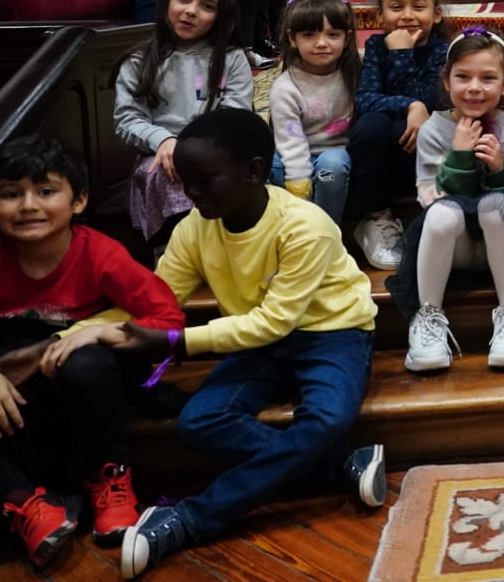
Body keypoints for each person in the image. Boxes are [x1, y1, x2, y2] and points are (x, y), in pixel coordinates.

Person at [110, 109, 386, 579]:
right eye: (185, 181)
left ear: (254, 171)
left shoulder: (305, 224)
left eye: (203, 179)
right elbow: (157, 300)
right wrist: (85, 333)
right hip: (259, 342)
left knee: (326, 419)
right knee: (198, 421)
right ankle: (338, 468)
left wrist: (175, 343)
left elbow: (274, 322)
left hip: (333, 333)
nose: (191, 193)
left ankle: (191, 518)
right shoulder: (194, 228)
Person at [0, 136, 183, 566]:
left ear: (80, 200)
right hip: (15, 382)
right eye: (11, 195)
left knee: (84, 362)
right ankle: (25, 502)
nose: (29, 205)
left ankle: (110, 480)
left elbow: (168, 320)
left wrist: (98, 332)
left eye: (46, 191)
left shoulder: (101, 254)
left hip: (91, 382)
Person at [394, 29, 504, 373]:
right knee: (445, 214)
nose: (474, 87)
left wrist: (501, 168)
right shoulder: (433, 129)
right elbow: (430, 198)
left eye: (488, 78)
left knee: (493, 205)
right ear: (446, 81)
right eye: (463, 77)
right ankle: (428, 315)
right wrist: (459, 157)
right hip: (455, 248)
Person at [113, 0, 253, 241]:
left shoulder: (232, 59)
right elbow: (127, 119)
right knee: (168, 174)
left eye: (207, 6)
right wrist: (163, 140)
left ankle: (228, 247)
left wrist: (199, 148)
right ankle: (170, 253)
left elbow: (236, 116)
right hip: (159, 154)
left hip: (215, 150)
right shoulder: (140, 61)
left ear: (220, 15)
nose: (191, 11)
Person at [347, 0, 450, 269]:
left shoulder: (442, 52)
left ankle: (427, 217)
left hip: (418, 156)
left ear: (437, 14)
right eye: (396, 7)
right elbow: (365, 98)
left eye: (418, 6)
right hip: (378, 155)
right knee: (372, 124)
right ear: (380, 16)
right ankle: (377, 216)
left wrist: (403, 57)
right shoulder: (377, 47)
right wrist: (411, 106)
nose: (407, 15)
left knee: (407, 127)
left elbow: (433, 100)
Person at [268, 0, 357, 229]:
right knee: (271, 164)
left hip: (337, 151)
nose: (321, 43)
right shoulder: (285, 87)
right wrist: (298, 181)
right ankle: (288, 231)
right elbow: (290, 138)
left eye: (332, 34)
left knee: (333, 165)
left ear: (346, 38)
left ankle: (326, 233)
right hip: (295, 151)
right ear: (293, 39)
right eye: (309, 34)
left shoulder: (354, 73)